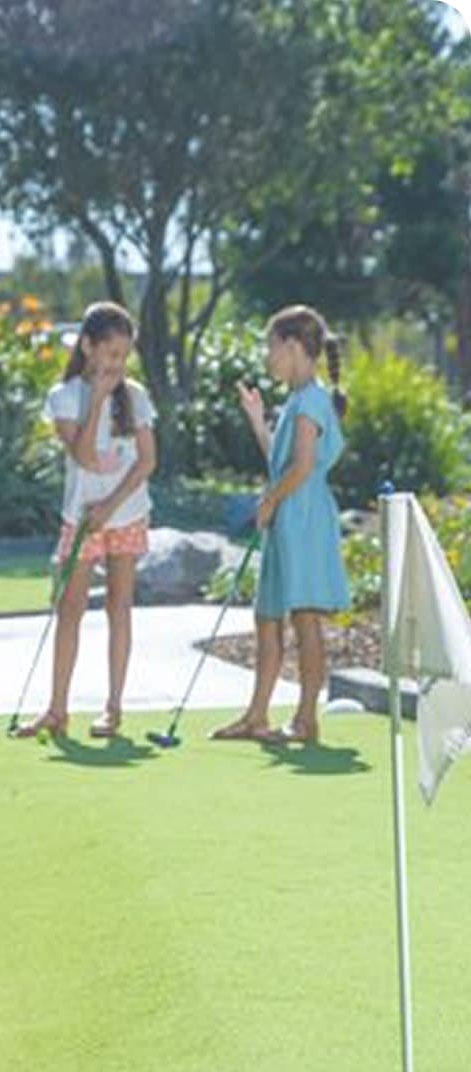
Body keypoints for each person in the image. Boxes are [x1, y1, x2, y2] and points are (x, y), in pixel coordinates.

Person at [15, 301, 156, 739]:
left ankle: (113, 708)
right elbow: (84, 456)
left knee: (119, 608)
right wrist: (96, 398)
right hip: (80, 518)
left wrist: (109, 508)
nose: (117, 364)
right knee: (70, 608)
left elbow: (147, 462)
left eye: (123, 355)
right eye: (111, 353)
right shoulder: (64, 397)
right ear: (89, 347)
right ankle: (57, 710)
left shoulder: (135, 396)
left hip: (126, 514)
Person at [210, 304, 350, 744]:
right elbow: (282, 461)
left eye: (271, 348)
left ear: (292, 346)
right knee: (266, 616)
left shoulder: (311, 400)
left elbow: (303, 467)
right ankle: (257, 716)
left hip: (303, 517)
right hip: (287, 514)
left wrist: (268, 501)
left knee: (305, 618)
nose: (268, 358)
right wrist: (257, 420)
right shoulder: (296, 400)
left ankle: (307, 719)